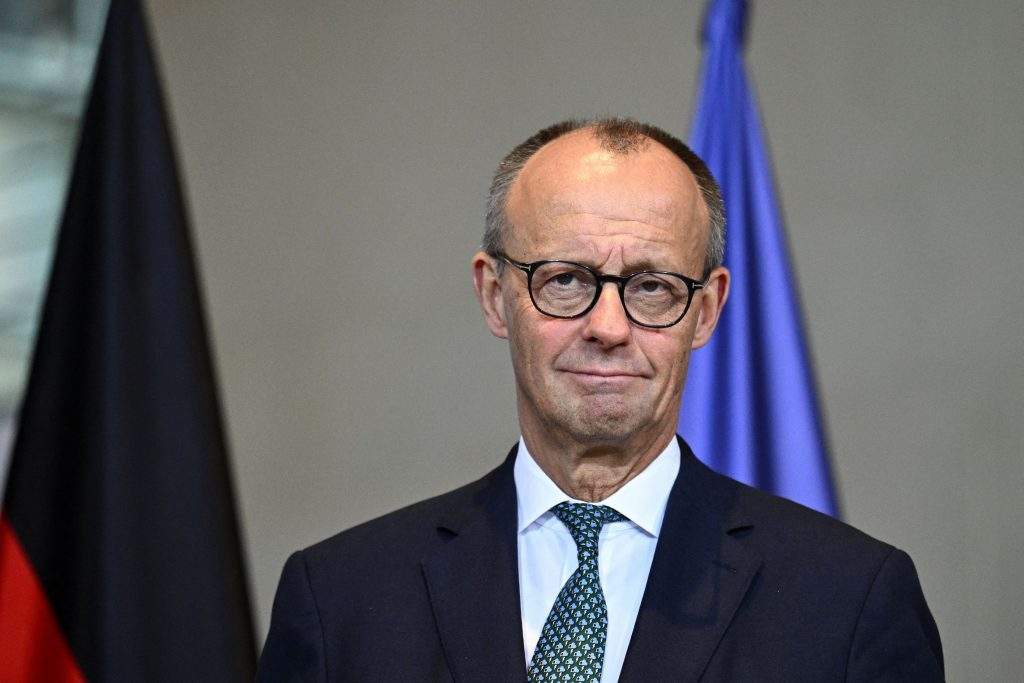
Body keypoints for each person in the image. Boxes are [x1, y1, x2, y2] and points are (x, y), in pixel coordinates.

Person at [257, 118, 943, 681]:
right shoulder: (341, 600)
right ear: (495, 295)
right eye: (565, 280)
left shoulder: (848, 601)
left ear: (706, 311)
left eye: (652, 286)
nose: (608, 327)